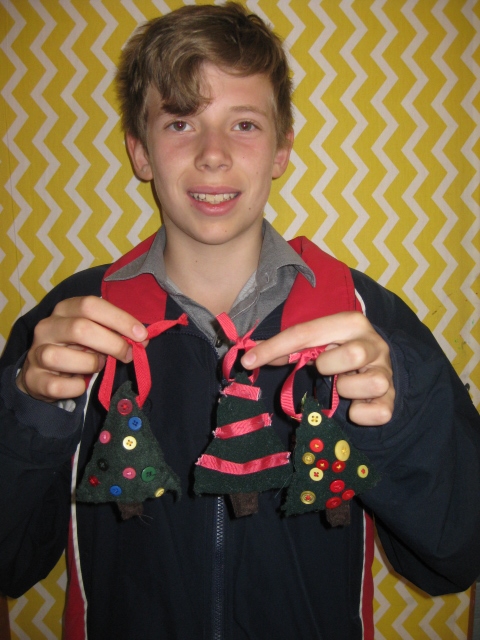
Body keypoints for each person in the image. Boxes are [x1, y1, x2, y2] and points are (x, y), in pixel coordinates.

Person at [0, 3, 479, 639]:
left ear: (281, 150)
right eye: (180, 122)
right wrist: (30, 413)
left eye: (244, 124)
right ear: (140, 153)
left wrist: (401, 415)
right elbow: (11, 565)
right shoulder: (71, 326)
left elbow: (455, 557)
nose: (213, 154)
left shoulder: (362, 319)